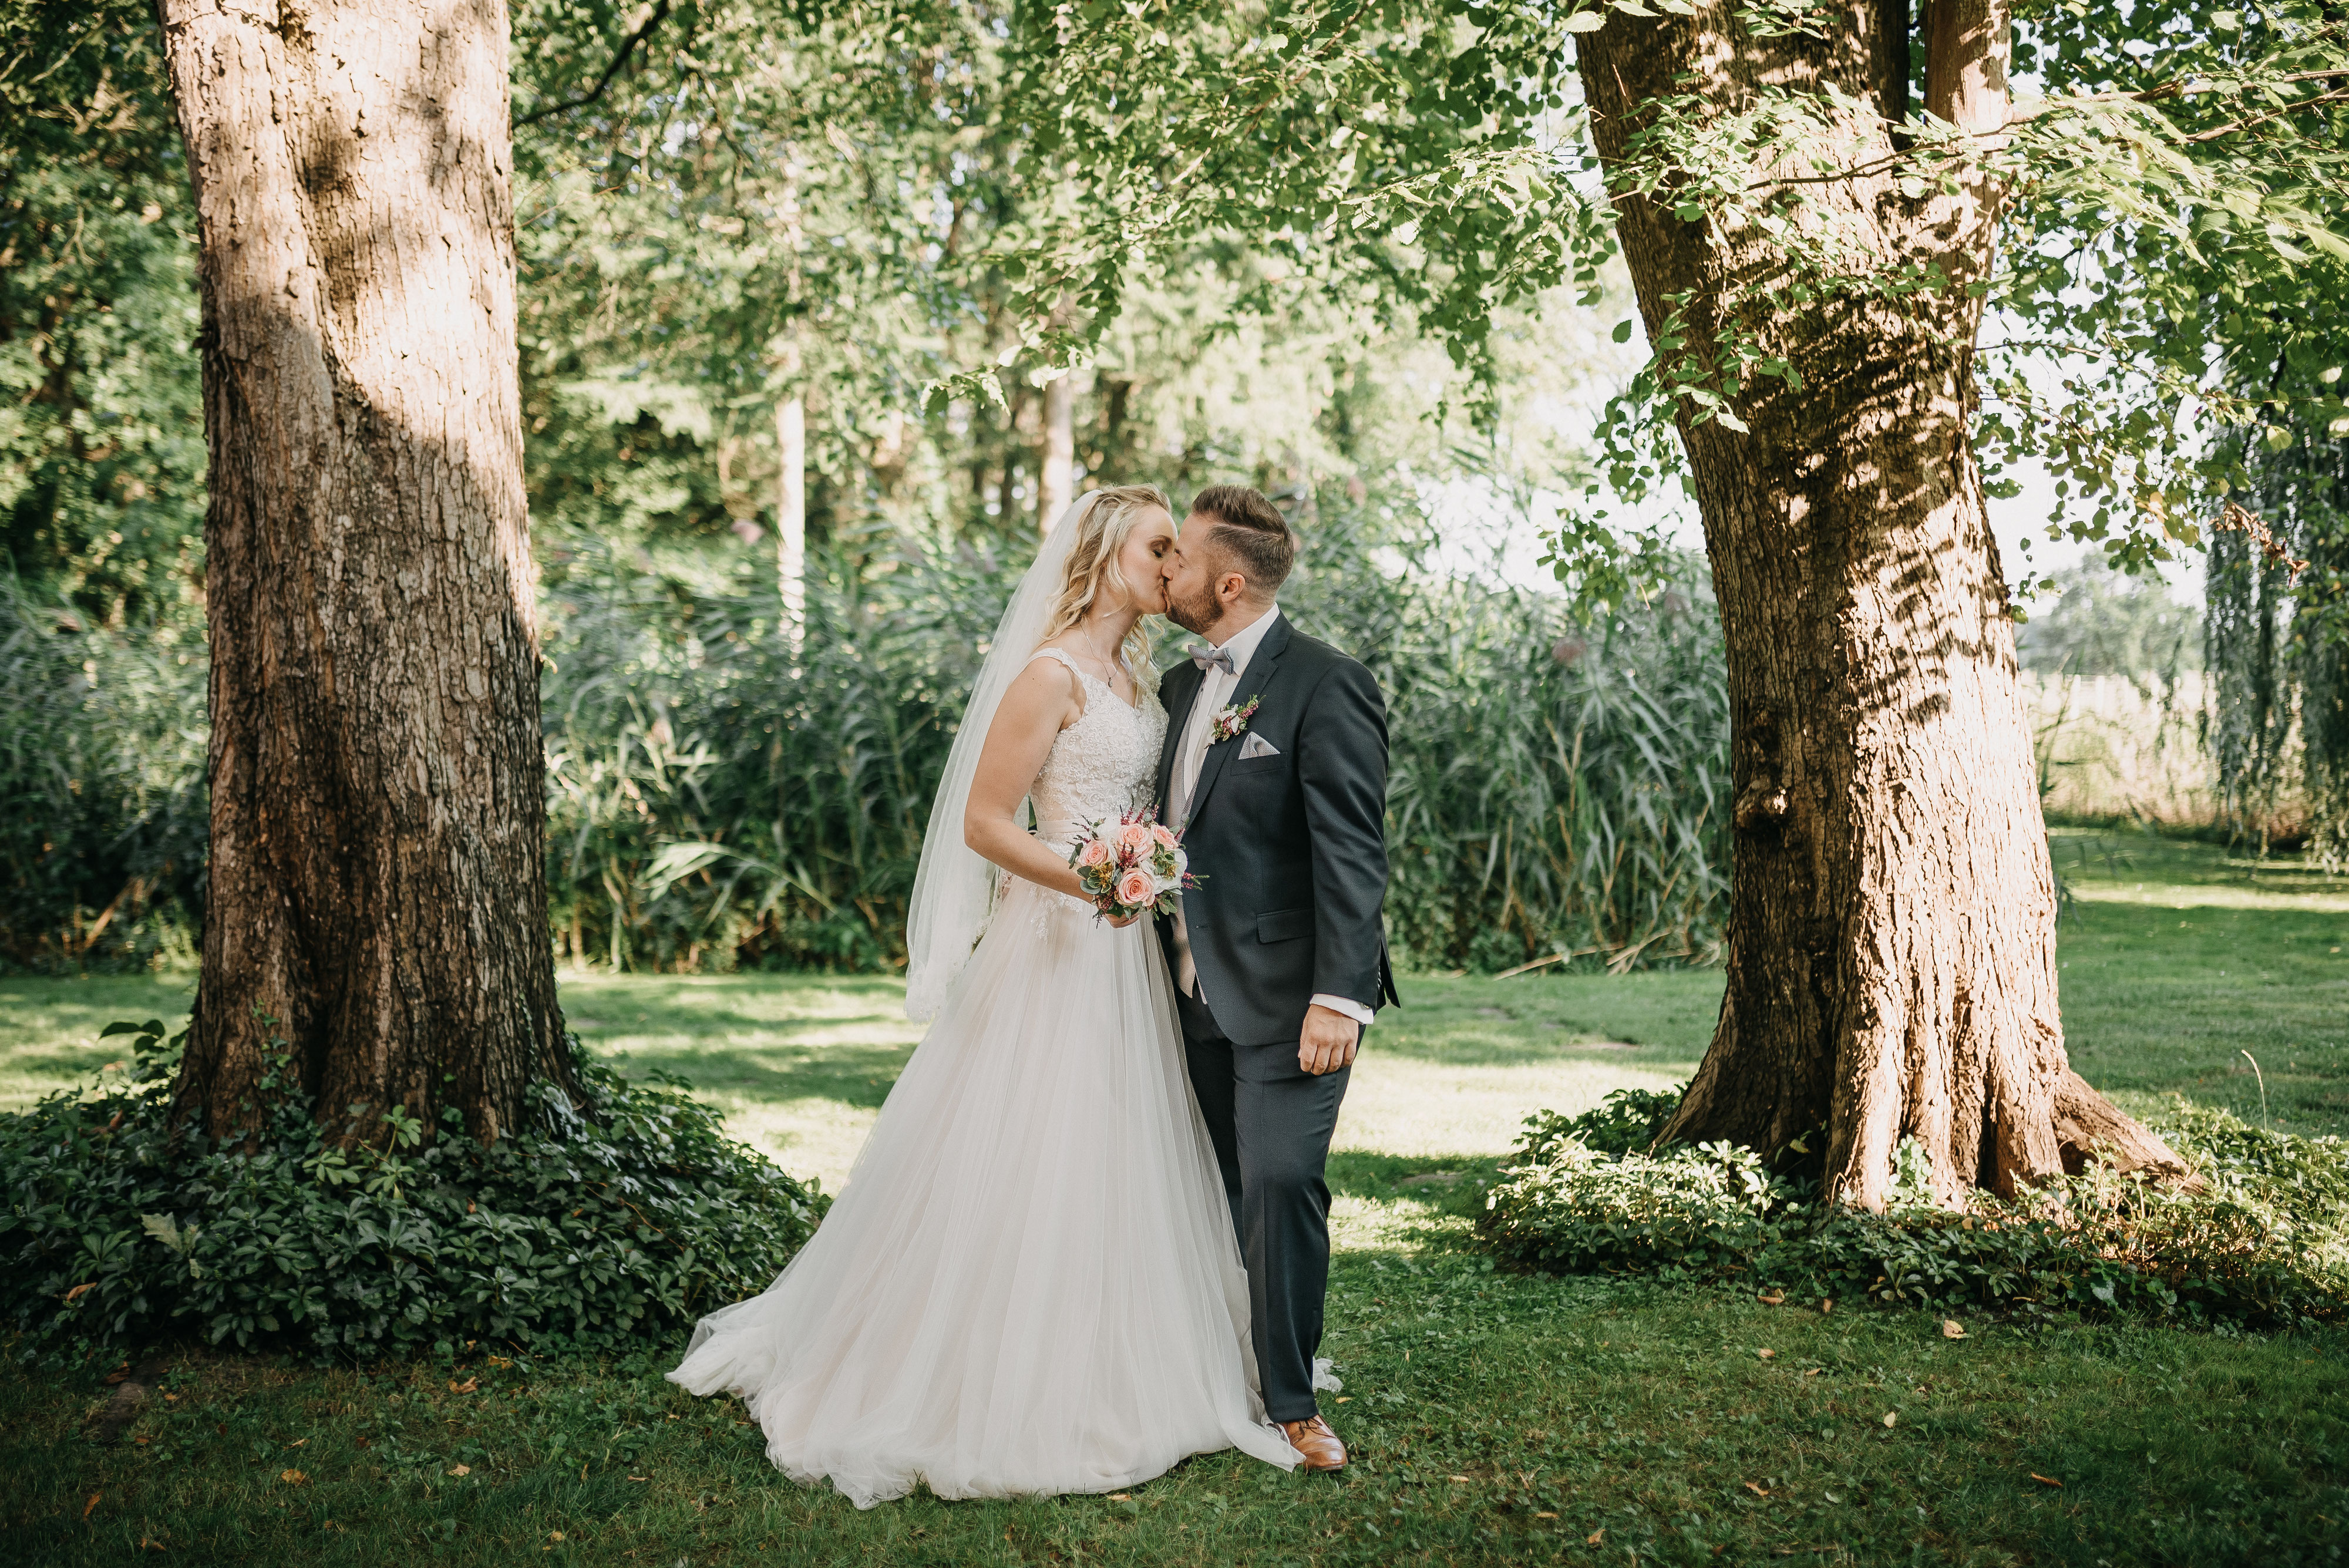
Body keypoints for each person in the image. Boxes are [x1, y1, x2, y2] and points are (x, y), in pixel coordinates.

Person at [667, 484, 1303, 1506]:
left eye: (1176, 552)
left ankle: (1120, 1355)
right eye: (1156, 548)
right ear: (1104, 558)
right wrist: (1094, 876)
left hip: (1123, 958)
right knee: (1026, 1142)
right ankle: (971, 1364)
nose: (1170, 565)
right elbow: (984, 821)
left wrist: (1136, 876)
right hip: (1055, 940)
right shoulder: (1047, 675)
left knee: (1112, 1147)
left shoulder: (1143, 686)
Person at [1152, 483, 1398, 1473]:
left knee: (1282, 1182)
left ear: (1228, 579)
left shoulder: (1326, 682)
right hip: (1179, 991)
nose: (1164, 569)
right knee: (1204, 1185)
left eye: (1178, 557)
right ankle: (1204, 1363)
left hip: (1294, 994)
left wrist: (1340, 995)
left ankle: (1290, 1398)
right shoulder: (1178, 686)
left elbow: (1353, 849)